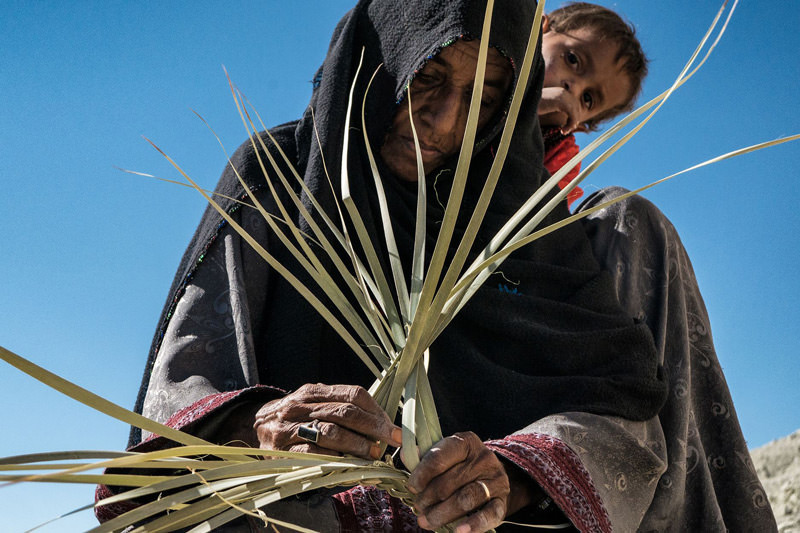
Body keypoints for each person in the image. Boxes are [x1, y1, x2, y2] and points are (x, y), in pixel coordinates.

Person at [97, 0, 777, 531]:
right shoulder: (273, 178)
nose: (446, 122)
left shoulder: (532, 223)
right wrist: (263, 427)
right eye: (427, 76)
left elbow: (616, 403)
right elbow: (182, 398)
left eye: (486, 98)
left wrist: (513, 475)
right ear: (380, 57)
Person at [538, 2, 649, 208]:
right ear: (539, 28)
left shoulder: (561, 158)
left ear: (578, 125)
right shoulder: (486, 55)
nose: (574, 87)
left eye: (587, 99)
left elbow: (536, 216)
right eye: (572, 59)